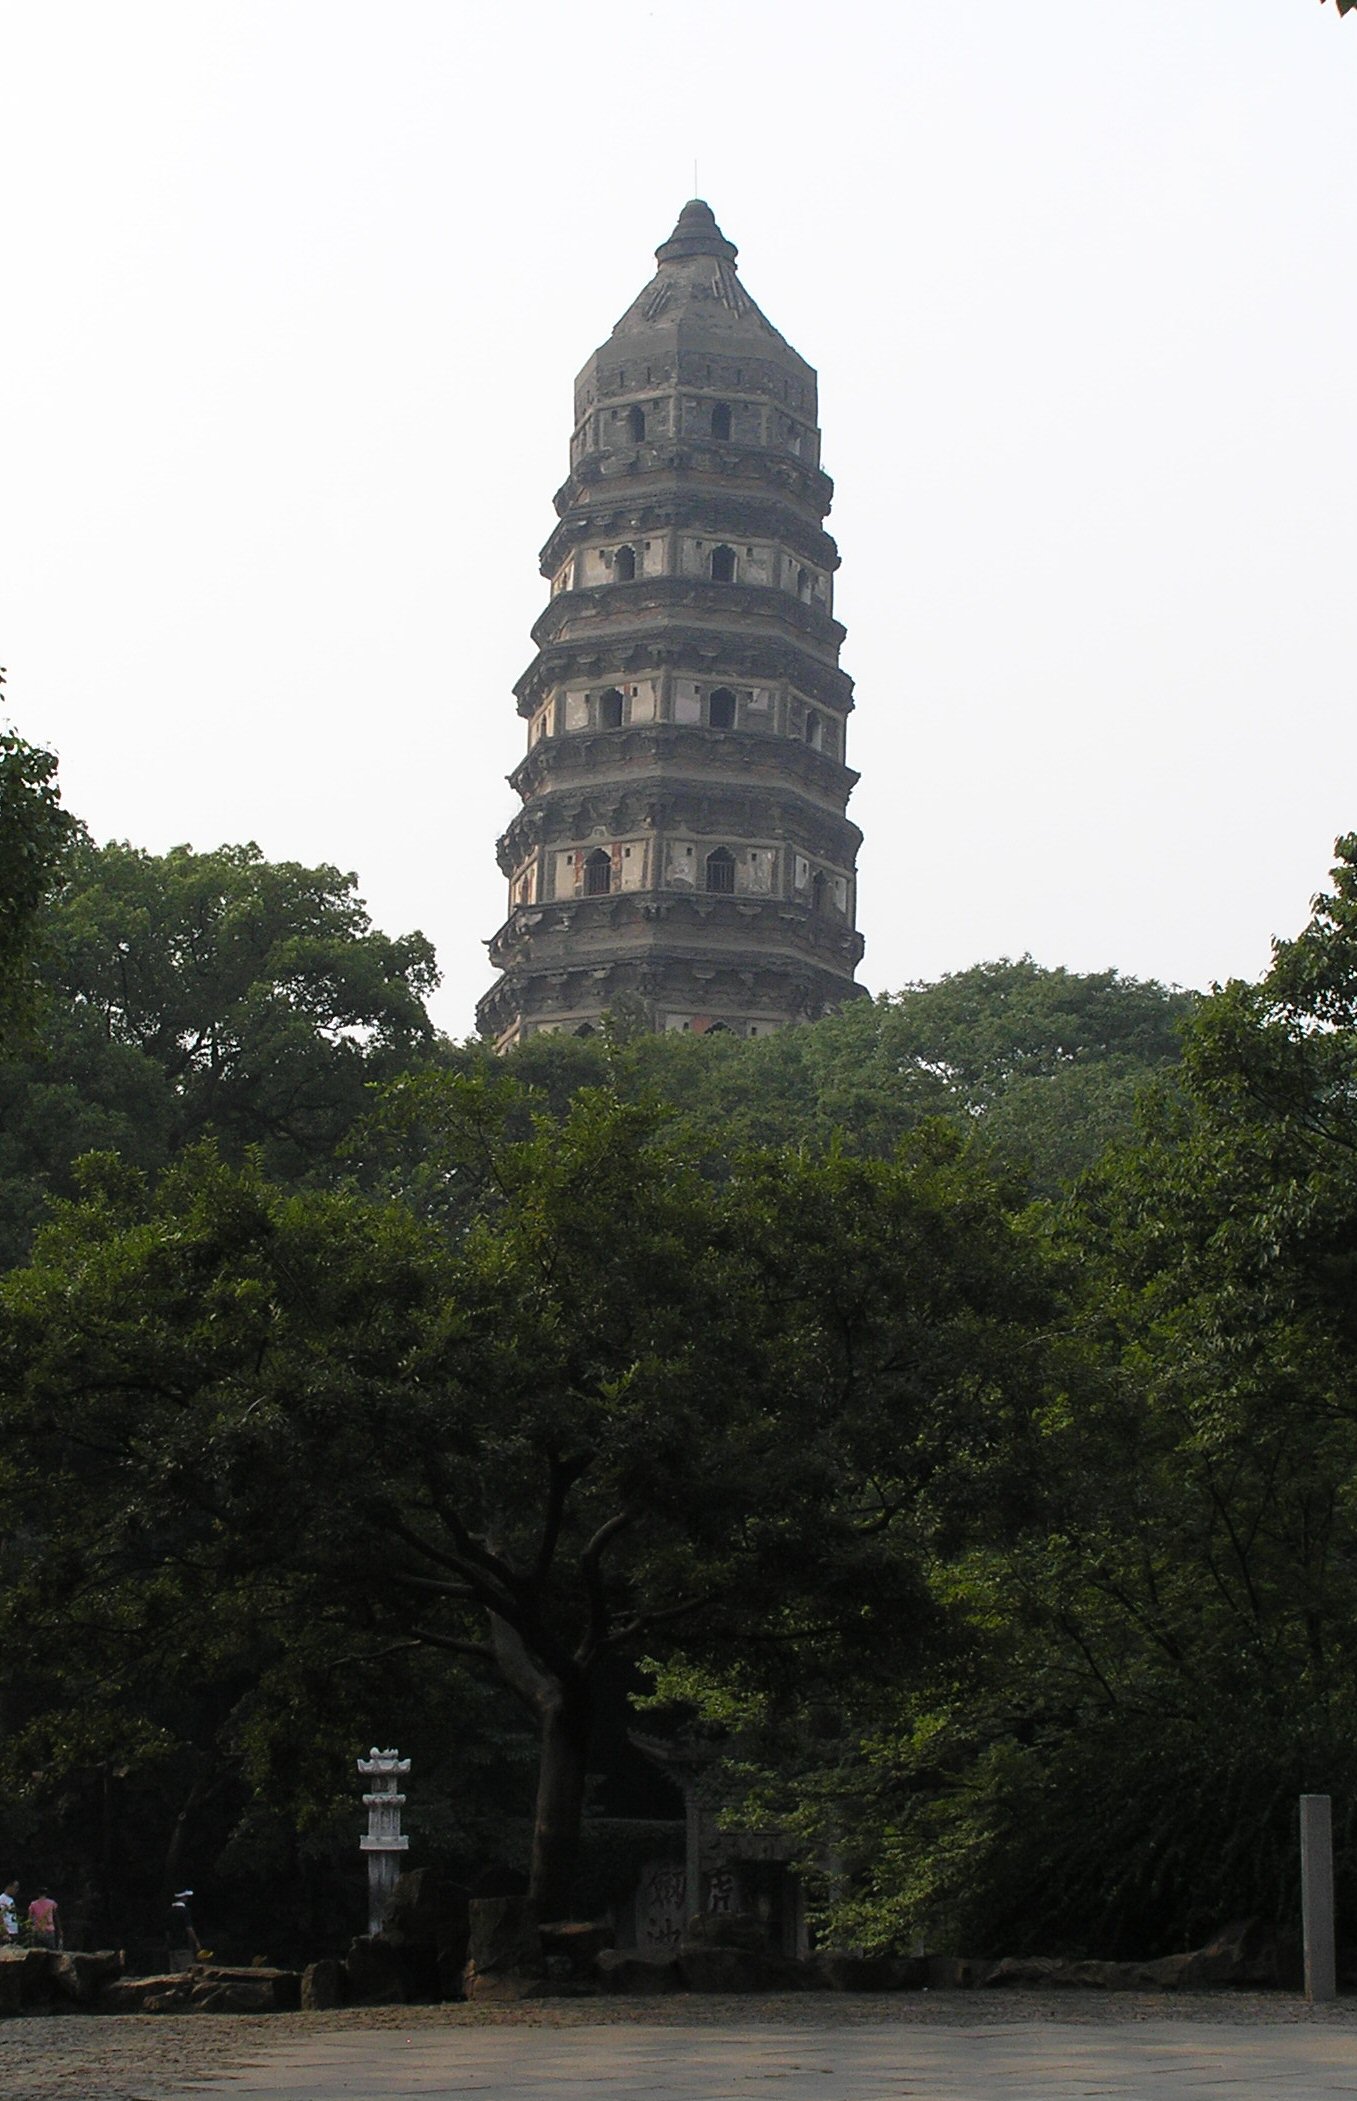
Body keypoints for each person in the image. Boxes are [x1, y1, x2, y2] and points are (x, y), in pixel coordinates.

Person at [167, 1890, 201, 1971]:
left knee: (174, 1972)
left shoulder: (169, 1911)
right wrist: (196, 1942)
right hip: (183, 1946)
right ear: (183, 1898)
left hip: (172, 1947)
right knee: (187, 1971)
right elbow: (189, 1928)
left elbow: (167, 1931)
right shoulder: (185, 1911)